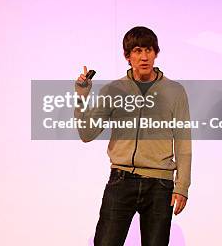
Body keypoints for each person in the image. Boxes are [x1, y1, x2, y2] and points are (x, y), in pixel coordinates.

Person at [74, 26, 191, 246]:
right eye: (137, 50)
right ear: (128, 56)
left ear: (156, 52)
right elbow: (87, 133)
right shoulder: (113, 90)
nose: (144, 57)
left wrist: (182, 186)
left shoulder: (175, 91)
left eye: (148, 50)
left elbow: (183, 141)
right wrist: (82, 97)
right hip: (121, 179)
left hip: (161, 184)